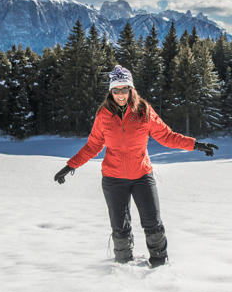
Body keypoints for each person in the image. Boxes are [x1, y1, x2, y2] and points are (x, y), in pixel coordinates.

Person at [54, 65, 219, 267]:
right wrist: (70, 166)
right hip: (113, 179)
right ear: (110, 92)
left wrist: (195, 144)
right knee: (120, 228)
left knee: (153, 223)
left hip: (142, 175)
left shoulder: (144, 111)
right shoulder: (103, 115)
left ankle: (159, 265)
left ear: (131, 89)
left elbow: (167, 136)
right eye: (116, 90)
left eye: (124, 89)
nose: (120, 94)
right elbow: (93, 145)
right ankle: (122, 268)